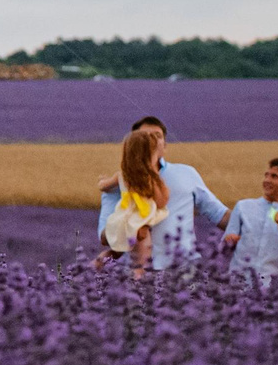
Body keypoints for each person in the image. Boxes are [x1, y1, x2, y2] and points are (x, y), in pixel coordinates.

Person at [95, 115, 228, 270]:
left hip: (183, 270)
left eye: (157, 136)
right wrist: (128, 227)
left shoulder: (186, 173)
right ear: (134, 146)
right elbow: (105, 237)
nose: (151, 141)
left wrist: (249, 225)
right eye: (145, 137)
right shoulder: (121, 181)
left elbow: (218, 214)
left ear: (164, 145)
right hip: (135, 277)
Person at [221, 157, 278, 283]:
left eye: (274, 176)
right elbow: (223, 249)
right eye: (266, 175)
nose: (267, 180)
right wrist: (229, 241)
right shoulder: (242, 207)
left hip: (271, 293)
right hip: (238, 287)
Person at [97, 127, 169, 270]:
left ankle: (92, 267)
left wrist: (101, 180)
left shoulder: (122, 175)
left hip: (121, 220)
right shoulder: (150, 179)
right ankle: (137, 280)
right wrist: (161, 183)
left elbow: (104, 186)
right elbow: (161, 202)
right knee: (140, 263)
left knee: (115, 252)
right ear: (149, 156)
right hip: (139, 225)